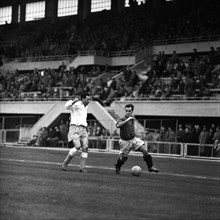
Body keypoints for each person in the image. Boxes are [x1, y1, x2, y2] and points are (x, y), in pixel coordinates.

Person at [114, 103, 159, 174]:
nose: (128, 112)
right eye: (126, 111)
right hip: (125, 141)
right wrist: (126, 120)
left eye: (129, 111)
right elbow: (117, 125)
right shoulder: (123, 118)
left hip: (133, 139)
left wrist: (138, 134)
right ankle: (118, 166)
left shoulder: (132, 118)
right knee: (124, 158)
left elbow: (131, 129)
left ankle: (150, 167)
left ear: (132, 111)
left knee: (145, 151)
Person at [61, 92, 91, 173]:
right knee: (77, 146)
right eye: (87, 99)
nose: (89, 100)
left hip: (83, 129)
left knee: (85, 147)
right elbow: (66, 106)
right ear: (83, 98)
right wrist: (73, 101)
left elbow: (83, 118)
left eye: (89, 99)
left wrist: (87, 128)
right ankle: (65, 163)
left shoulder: (86, 106)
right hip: (75, 128)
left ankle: (82, 167)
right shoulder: (77, 104)